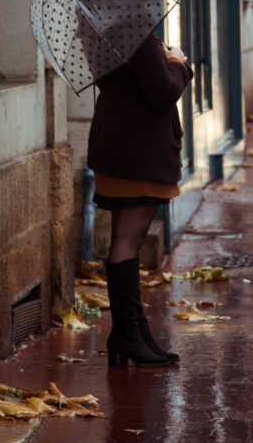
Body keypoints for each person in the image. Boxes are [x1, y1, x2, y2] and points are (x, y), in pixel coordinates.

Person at [86, 30, 192, 367]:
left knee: (125, 239)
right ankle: (126, 334)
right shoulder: (133, 28)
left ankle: (134, 329)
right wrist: (177, 62)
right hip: (139, 149)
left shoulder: (100, 22)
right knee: (127, 241)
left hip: (119, 142)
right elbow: (163, 92)